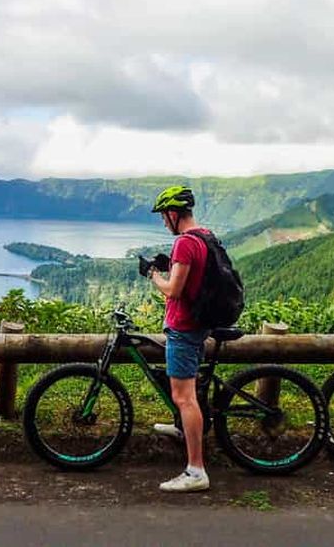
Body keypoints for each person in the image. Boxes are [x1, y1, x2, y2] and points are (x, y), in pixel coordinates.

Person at [147, 185, 211, 492]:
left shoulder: (185, 243)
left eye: (163, 216)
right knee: (187, 394)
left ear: (173, 214)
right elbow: (187, 281)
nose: (163, 222)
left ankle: (196, 470)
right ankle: (181, 428)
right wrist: (169, 269)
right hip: (196, 324)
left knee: (185, 397)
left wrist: (153, 275)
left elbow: (173, 290)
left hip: (184, 328)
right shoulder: (204, 236)